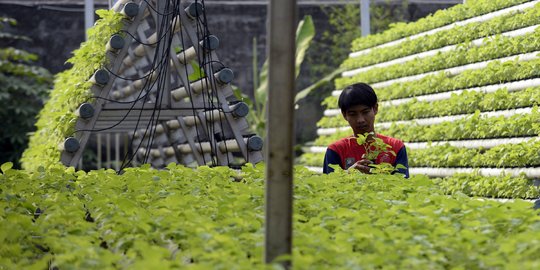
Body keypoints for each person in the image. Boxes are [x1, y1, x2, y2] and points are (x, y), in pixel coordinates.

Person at [322, 82, 409, 177]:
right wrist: (349, 175)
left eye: (365, 112)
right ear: (344, 115)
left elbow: (403, 186)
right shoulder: (336, 150)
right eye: (353, 114)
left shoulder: (396, 147)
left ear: (375, 109)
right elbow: (329, 186)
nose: (360, 120)